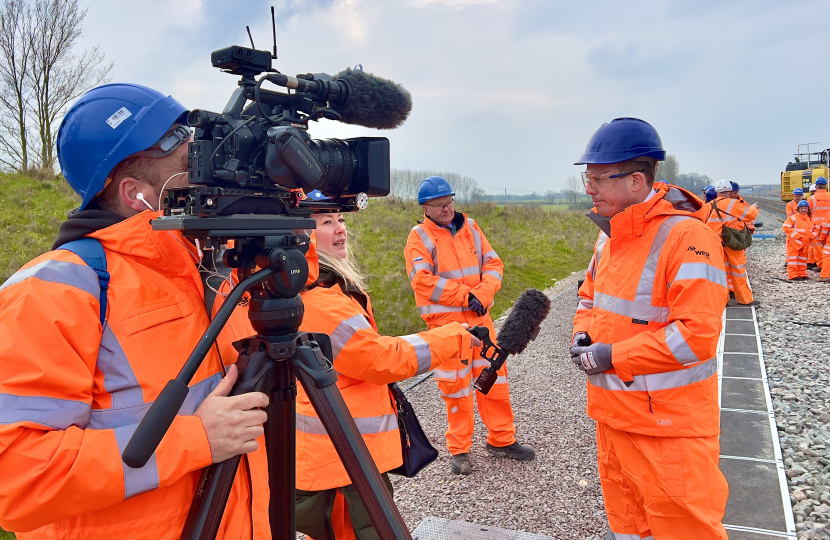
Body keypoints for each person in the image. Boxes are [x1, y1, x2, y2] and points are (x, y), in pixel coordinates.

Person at [0, 84, 271, 539]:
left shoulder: (206, 269)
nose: (198, 149)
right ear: (135, 193)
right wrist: (194, 439)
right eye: (177, 143)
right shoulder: (54, 291)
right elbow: (17, 479)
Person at [570, 117, 729, 540]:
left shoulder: (687, 238)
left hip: (668, 431)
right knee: (627, 528)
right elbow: (588, 298)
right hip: (614, 421)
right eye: (587, 177)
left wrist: (611, 356)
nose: (589, 188)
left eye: (599, 178)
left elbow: (695, 335)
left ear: (636, 181)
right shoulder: (609, 238)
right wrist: (582, 335)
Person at [295, 200, 480, 539]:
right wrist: (454, 336)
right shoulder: (320, 301)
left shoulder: (324, 289)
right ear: (298, 235)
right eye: (325, 222)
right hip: (341, 460)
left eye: (339, 219)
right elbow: (382, 360)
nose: (340, 228)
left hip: (342, 454)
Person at [404, 177, 534, 475]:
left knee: (495, 382)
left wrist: (483, 294)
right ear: (425, 208)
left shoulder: (472, 227)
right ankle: (460, 450)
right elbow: (422, 281)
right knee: (456, 389)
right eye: (439, 205)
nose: (446, 209)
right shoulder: (419, 237)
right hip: (446, 328)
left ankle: (502, 440)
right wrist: (466, 296)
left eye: (449, 202)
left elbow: (494, 265)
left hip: (481, 322)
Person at [707, 179, 760, 306]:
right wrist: (754, 208)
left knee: (720, 271)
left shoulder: (709, 205)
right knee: (738, 270)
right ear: (730, 191)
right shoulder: (733, 204)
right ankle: (744, 299)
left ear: (717, 192)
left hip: (716, 243)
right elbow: (750, 215)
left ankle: (722, 300)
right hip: (733, 241)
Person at [783, 200, 813, 281]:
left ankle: (802, 273)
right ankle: (792, 275)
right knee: (793, 259)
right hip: (793, 243)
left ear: (808, 209)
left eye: (805, 208)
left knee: (803, 259)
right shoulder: (793, 218)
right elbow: (786, 227)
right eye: (802, 208)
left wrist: (811, 237)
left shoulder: (810, 219)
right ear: (798, 209)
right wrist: (798, 236)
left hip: (804, 243)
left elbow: (815, 228)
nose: (804, 210)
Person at [808, 177, 830, 271]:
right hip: (829, 225)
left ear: (816, 187)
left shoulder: (811, 199)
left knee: (818, 246)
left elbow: (808, 213)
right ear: (826, 186)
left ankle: (821, 266)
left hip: (817, 226)